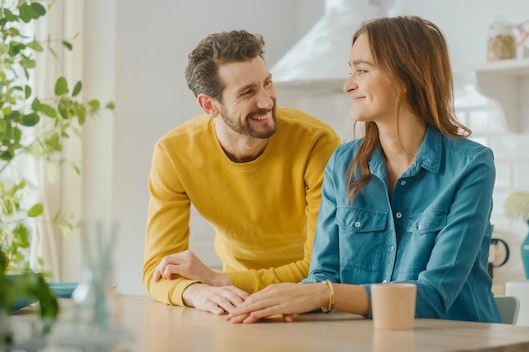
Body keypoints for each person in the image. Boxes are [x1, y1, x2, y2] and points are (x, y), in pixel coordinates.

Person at [227, 16, 500, 324]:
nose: (348, 85)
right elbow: (323, 274)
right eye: (350, 71)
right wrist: (275, 302)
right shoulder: (342, 165)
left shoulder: (471, 166)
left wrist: (326, 294)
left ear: (406, 76)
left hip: (459, 341)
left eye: (361, 70)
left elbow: (433, 296)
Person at [142, 30, 341, 314]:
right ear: (209, 105)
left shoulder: (316, 142)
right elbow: (157, 267)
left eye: (267, 83)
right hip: (234, 303)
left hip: (307, 301)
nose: (266, 101)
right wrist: (194, 290)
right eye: (248, 92)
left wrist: (218, 279)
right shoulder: (173, 153)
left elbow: (322, 267)